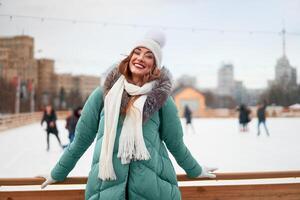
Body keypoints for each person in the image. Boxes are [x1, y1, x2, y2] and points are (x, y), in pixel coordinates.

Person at [40, 30, 217, 199]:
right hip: (106, 189)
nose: (140, 58)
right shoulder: (103, 95)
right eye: (137, 52)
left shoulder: (162, 101)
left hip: (152, 191)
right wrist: (58, 172)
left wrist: (195, 169)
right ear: (130, 57)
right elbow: (81, 140)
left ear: (154, 66)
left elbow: (176, 144)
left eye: (149, 56)